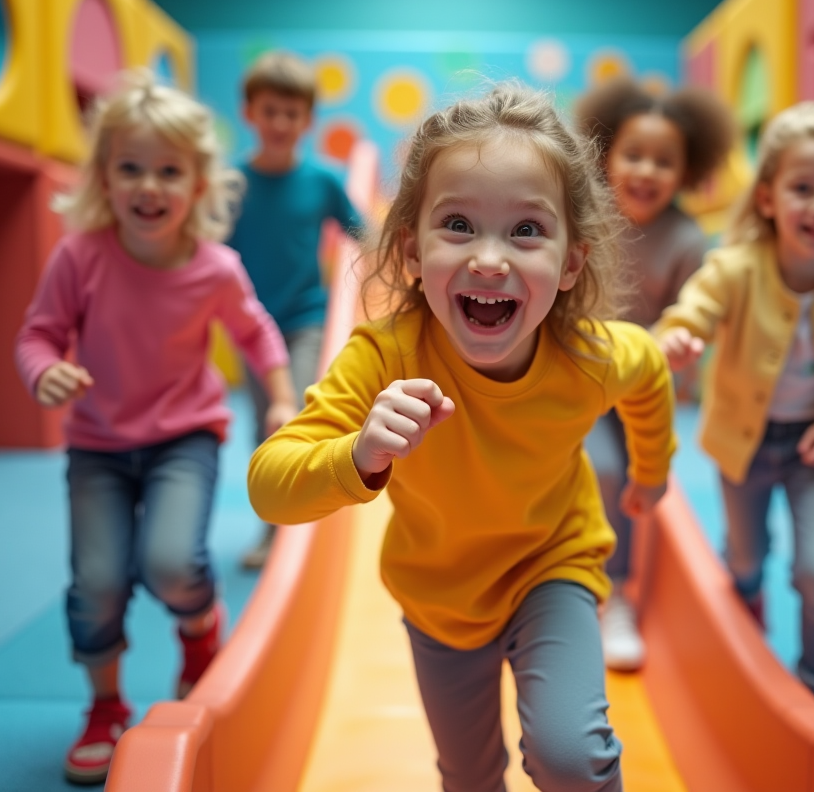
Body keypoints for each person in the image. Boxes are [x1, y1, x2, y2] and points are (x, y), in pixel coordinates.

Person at [249, 85, 676, 791]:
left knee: (573, 758)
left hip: (553, 567)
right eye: (458, 224)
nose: (488, 259)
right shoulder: (386, 356)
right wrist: (357, 454)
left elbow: (650, 371)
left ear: (571, 264)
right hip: (440, 598)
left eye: (527, 231)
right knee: (469, 775)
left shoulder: (592, 356)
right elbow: (270, 484)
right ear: (411, 250)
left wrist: (651, 470)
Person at [15, 70, 294, 784]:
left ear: (199, 184)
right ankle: (105, 707)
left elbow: (259, 335)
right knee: (99, 581)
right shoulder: (79, 257)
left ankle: (199, 629)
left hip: (183, 439)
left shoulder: (215, 268)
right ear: (104, 177)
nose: (149, 186)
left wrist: (280, 398)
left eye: (169, 171)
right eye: (130, 167)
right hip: (99, 447)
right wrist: (43, 369)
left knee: (171, 564)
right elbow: (38, 335)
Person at [654, 101, 814, 706]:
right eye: (804, 189)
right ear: (768, 197)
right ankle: (745, 639)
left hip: (812, 446)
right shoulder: (737, 267)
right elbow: (693, 310)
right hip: (741, 442)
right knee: (746, 560)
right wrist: (680, 337)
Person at [576, 77, 734, 671]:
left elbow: (693, 311)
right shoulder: (587, 218)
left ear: (688, 171)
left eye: (664, 162)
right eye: (633, 154)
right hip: (581, 375)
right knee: (590, 467)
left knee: (631, 477)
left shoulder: (688, 239)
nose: (646, 171)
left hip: (640, 383)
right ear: (605, 154)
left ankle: (617, 593)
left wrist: (682, 344)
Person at [229, 50, 365, 570]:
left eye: (292, 113)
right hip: (250, 327)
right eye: (270, 111)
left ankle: (303, 529)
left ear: (308, 120)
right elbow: (210, 254)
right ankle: (273, 527)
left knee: (301, 415)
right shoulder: (233, 185)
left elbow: (360, 232)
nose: (281, 123)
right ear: (250, 113)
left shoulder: (322, 182)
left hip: (307, 318)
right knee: (265, 427)